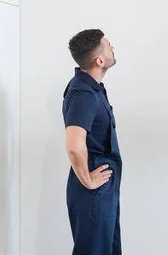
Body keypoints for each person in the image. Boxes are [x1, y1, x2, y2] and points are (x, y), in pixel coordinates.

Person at [62, 29, 122, 255]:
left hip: (101, 188)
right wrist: (88, 181)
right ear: (99, 60)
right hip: (92, 190)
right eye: (109, 46)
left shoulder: (92, 88)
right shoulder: (83, 94)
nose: (113, 48)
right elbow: (73, 146)